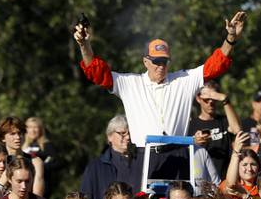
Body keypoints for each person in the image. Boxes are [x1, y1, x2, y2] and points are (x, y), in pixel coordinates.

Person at [75, 10, 246, 178]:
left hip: (178, 154)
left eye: (164, 61)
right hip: (144, 155)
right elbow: (95, 71)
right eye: (156, 61)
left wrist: (230, 38)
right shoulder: (130, 82)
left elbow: (217, 65)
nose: (161, 66)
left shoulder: (183, 80)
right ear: (145, 61)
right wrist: (84, 45)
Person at [80, 115, 143, 199]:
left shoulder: (141, 161)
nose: (128, 137)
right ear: (109, 136)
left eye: (130, 133)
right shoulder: (95, 167)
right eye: (122, 133)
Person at [188, 80, 242, 178]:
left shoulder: (224, 121)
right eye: (207, 99)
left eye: (213, 98)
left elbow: (236, 130)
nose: (211, 102)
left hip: (224, 180)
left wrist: (224, 99)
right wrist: (194, 142)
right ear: (198, 98)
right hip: (199, 180)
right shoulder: (190, 125)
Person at [0, 117, 46, 197]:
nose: (18, 137)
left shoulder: (35, 162)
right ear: (2, 138)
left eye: (20, 133)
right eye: (12, 134)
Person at [23, 117, 60, 197]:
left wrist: (41, 166)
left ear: (40, 129)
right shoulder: (23, 145)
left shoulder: (47, 145)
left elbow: (57, 163)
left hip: (42, 185)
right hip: (25, 185)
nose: (32, 130)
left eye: (35, 127)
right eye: (29, 127)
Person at [220, 131, 260, 199]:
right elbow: (231, 184)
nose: (249, 169)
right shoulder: (227, 184)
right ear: (237, 167)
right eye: (244, 165)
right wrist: (236, 152)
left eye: (253, 164)